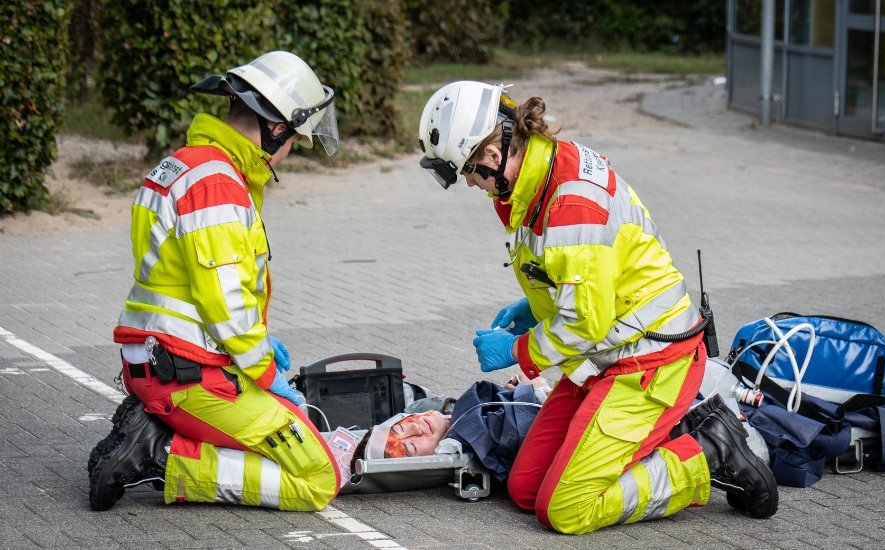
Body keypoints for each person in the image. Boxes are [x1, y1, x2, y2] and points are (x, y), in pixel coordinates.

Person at [417, 81, 778, 535]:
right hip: (603, 360)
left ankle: (707, 452)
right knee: (526, 489)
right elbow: (578, 275)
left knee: (566, 508)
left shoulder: (569, 201)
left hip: (650, 364)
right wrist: (536, 306)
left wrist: (517, 351)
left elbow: (586, 322)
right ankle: (639, 444)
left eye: (468, 170)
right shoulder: (538, 175)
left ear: (491, 152)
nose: (470, 182)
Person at [87, 51, 342, 512]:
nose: (289, 155)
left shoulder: (187, 165)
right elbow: (224, 300)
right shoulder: (218, 184)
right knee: (318, 475)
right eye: (293, 141)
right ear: (277, 127)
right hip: (187, 376)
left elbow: (189, 285)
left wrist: (256, 342)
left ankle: (157, 433)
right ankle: (160, 454)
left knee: (282, 437)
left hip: (164, 362)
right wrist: (265, 372)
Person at [350, 374, 550, 480]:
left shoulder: (450, 415)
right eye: (411, 447)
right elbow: (519, 431)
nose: (417, 429)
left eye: (402, 428)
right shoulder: (475, 437)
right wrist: (533, 391)